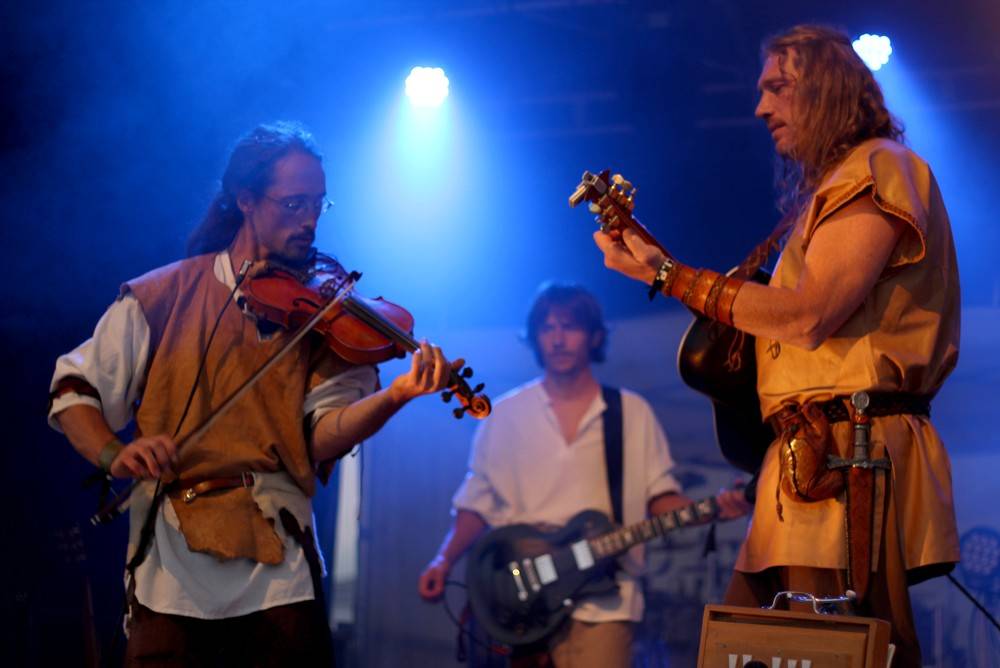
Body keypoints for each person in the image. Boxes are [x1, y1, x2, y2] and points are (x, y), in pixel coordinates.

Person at [592, 25, 960, 667]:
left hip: (846, 457)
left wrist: (669, 275)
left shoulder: (879, 167)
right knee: (753, 648)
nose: (761, 107)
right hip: (807, 459)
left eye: (779, 87)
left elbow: (809, 316)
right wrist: (664, 270)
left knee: (835, 648)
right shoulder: (836, 187)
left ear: (827, 89)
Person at [48, 121, 461, 666]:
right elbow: (74, 390)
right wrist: (114, 454)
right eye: (293, 204)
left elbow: (321, 436)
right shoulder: (161, 295)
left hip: (278, 559)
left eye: (318, 204)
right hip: (171, 558)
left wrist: (396, 396)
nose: (309, 220)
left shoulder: (326, 318)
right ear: (245, 200)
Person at [418, 282, 745, 667]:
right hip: (522, 601)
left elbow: (661, 499)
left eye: (569, 326)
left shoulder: (631, 412)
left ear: (594, 336)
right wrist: (443, 561)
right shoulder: (502, 415)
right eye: (547, 328)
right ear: (535, 337)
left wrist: (715, 508)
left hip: (605, 603)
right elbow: (476, 504)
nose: (558, 339)